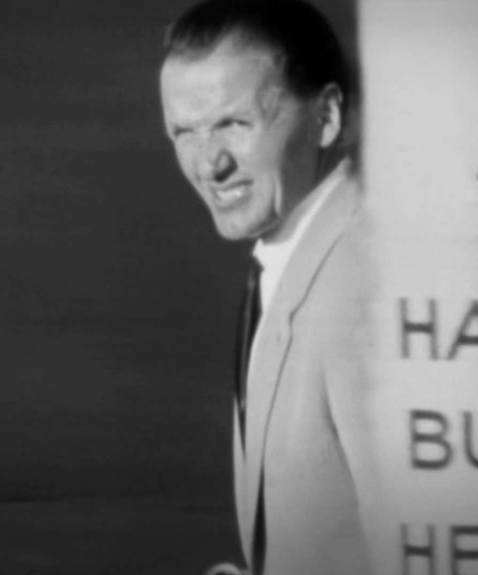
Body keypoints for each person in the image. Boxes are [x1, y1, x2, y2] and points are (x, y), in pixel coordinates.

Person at [159, 1, 379, 573]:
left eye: (234, 123)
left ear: (326, 116)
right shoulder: (292, 257)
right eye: (184, 131)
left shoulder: (365, 283)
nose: (209, 164)